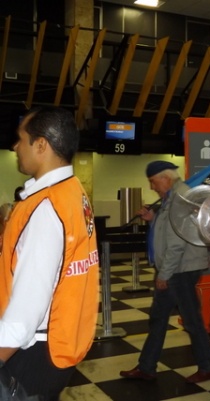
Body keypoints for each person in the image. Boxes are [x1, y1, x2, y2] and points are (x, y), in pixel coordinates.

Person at [0, 106, 99, 399]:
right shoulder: (72, 191)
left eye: (21, 139)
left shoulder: (45, 208)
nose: (15, 147)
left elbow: (26, 313)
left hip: (32, 351)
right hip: (60, 343)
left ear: (41, 145)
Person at [120, 161, 210, 383]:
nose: (152, 187)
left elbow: (177, 244)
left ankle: (208, 367)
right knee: (159, 318)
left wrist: (164, 274)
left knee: (191, 320)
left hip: (179, 270)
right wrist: (152, 219)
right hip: (175, 268)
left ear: (165, 178)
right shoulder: (172, 197)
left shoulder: (180, 198)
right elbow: (169, 231)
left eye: (153, 181)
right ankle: (147, 366)